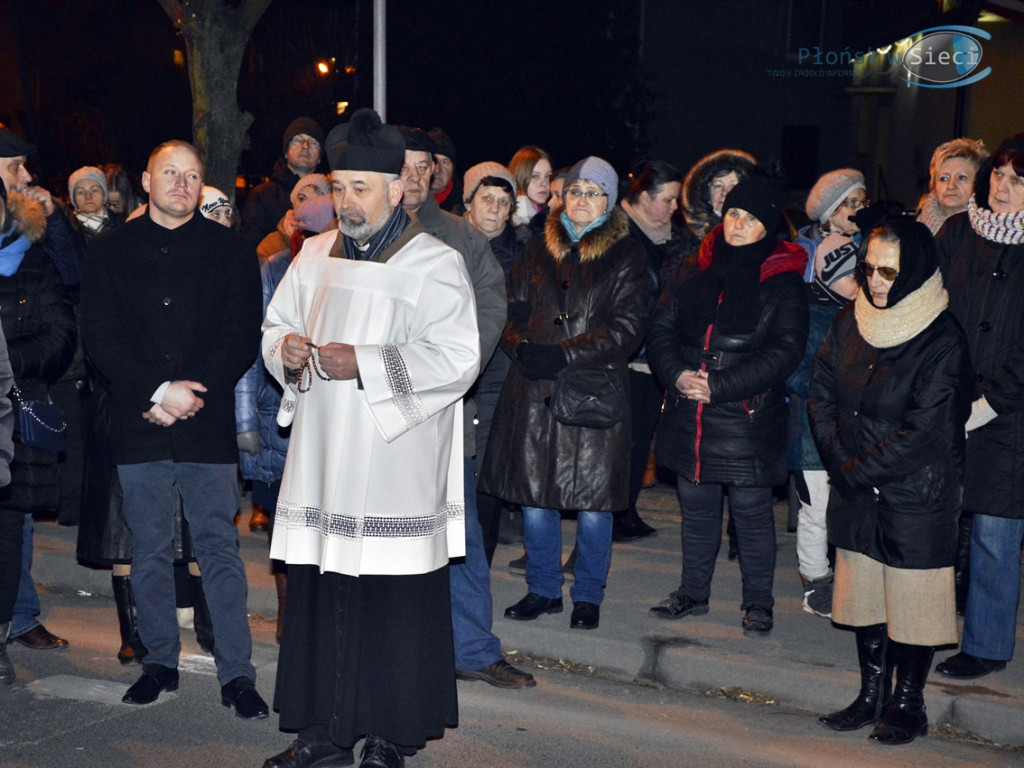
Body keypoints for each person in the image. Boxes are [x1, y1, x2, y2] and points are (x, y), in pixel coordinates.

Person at [261, 108, 479, 768]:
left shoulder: (435, 263)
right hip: (325, 459)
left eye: (362, 187)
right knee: (324, 596)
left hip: (394, 461)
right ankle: (322, 736)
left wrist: (369, 363)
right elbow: (275, 328)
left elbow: (458, 357)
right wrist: (288, 351)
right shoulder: (313, 255)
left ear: (395, 189)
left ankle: (389, 738)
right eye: (340, 186)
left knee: (390, 607)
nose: (348, 200)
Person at [79, 140, 267, 717]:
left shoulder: (231, 253)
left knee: (218, 549)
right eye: (170, 173)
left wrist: (188, 396)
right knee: (150, 550)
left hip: (204, 423)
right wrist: (158, 393)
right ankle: (159, 662)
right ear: (146, 179)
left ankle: (237, 672)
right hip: (139, 420)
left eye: (191, 175)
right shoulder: (109, 251)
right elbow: (102, 336)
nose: (181, 184)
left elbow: (240, 335)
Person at [808, 217, 972, 745]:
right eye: (868, 268)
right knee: (866, 602)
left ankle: (908, 704)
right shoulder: (850, 320)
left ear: (916, 270)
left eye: (887, 271)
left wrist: (857, 470)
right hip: (856, 484)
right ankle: (871, 693)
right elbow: (821, 392)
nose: (875, 280)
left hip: (914, 492)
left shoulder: (942, 335)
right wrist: (839, 459)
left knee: (913, 604)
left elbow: (928, 429)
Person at [480, 156, 649, 632]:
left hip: (594, 390)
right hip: (533, 388)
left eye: (594, 192)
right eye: (575, 190)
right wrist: (521, 347)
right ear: (562, 196)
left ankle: (588, 595)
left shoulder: (626, 255)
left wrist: (565, 354)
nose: (582, 200)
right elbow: (507, 309)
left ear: (609, 202)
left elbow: (629, 327)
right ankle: (543, 589)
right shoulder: (538, 249)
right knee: (536, 498)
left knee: (594, 503)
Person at [396, 131, 532, 690]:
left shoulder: (460, 238)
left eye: (424, 167)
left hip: (447, 413)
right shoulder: (349, 236)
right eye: (403, 167)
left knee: (463, 539)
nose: (413, 177)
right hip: (369, 415)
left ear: (436, 175)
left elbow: (488, 317)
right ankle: (393, 648)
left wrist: (435, 380)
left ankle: (473, 649)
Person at [646, 175, 808, 636]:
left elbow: (784, 352)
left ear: (768, 226)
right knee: (695, 511)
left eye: (751, 218)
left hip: (744, 417)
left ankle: (758, 602)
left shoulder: (782, 281)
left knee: (752, 516)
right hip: (689, 412)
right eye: (734, 214)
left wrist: (718, 386)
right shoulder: (698, 268)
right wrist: (677, 374)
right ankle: (692, 593)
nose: (738, 225)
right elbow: (661, 328)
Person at [933, 133, 1024, 682]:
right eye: (998, 176)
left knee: (996, 531)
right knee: (939, 522)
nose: (1002, 188)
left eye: (1017, 181)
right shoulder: (959, 232)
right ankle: (930, 625)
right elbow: (932, 304)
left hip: (1010, 416)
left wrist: (991, 401)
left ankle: (987, 643)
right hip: (950, 398)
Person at [235, 193, 336, 644]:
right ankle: (287, 609)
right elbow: (251, 353)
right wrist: (245, 423)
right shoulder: (275, 268)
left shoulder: (349, 271)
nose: (313, 241)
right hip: (277, 414)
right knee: (281, 521)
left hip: (329, 413)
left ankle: (321, 610)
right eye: (308, 234)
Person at [0, 175, 54, 682]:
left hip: (13, 418)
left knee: (8, 532)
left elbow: (59, 335)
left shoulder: (33, 263)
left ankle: (7, 630)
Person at [616, 159, 685, 542]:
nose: (675, 208)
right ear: (643, 198)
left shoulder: (669, 235)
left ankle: (626, 509)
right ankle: (614, 511)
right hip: (630, 353)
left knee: (642, 437)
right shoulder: (623, 234)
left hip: (654, 350)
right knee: (627, 438)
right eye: (668, 199)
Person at [462, 161, 522, 565]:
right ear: (468, 202)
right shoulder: (444, 244)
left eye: (504, 203)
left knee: (486, 472)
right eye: (487, 199)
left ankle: (477, 567)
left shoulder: (521, 256)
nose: (495, 210)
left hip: (498, 373)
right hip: (451, 370)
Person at [241, 116, 324, 247]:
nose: (305, 146)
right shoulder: (262, 195)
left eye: (313, 142)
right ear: (286, 152)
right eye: (298, 140)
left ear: (319, 157)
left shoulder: (330, 198)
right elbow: (250, 246)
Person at [916, 137, 988, 235]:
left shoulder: (987, 232)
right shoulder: (914, 232)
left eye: (962, 177)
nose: (951, 186)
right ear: (934, 184)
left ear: (979, 182)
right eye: (944, 179)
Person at [256, 173, 331, 263]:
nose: (306, 206)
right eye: (302, 199)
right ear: (293, 201)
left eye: (315, 201)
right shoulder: (270, 246)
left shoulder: (334, 244)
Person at [67, 166, 118, 243]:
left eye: (94, 190)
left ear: (104, 194)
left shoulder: (124, 223)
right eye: (81, 192)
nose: (88, 197)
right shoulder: (69, 231)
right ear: (73, 199)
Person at [509, 145, 552, 229]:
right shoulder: (522, 208)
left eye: (548, 176)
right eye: (535, 176)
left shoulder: (541, 211)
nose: (544, 183)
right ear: (520, 176)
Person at [428, 127, 461, 212]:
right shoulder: (406, 199)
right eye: (433, 161)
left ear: (452, 170)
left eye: (444, 162)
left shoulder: (465, 206)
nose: (437, 170)